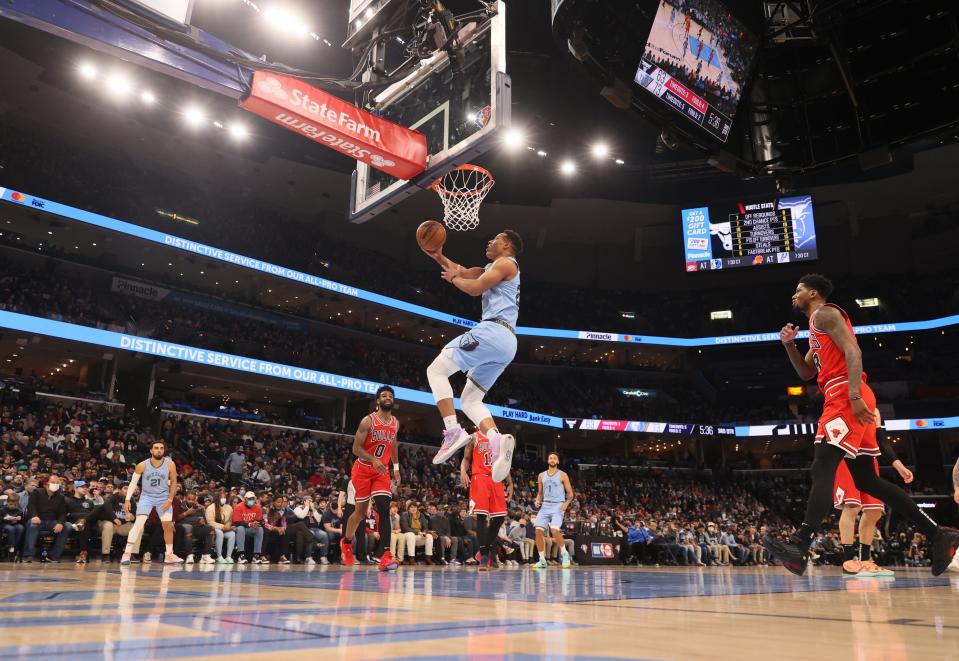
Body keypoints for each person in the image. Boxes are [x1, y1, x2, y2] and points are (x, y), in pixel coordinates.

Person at [763, 274, 959, 576]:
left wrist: (854, 395)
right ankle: (938, 534)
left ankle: (800, 544)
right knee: (868, 481)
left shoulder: (825, 314)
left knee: (822, 466)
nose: (793, 295)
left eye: (798, 290)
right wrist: (789, 345)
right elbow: (805, 373)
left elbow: (854, 351)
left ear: (813, 293)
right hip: (844, 395)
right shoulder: (816, 328)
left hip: (844, 395)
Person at [425, 231, 523, 483]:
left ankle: (452, 430)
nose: (489, 241)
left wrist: (453, 280)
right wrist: (438, 256)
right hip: (506, 343)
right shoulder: (494, 266)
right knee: (470, 400)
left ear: (507, 245)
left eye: (495, 238)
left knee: (435, 371)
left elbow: (474, 288)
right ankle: (497, 441)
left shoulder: (505, 263)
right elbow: (463, 270)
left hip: (492, 331)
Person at [835, 410, 912, 578]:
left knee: (874, 511)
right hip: (846, 458)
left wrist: (897, 464)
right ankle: (848, 562)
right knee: (852, 506)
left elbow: (881, 440)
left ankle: (864, 561)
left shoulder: (875, 410)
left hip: (868, 461)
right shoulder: (843, 402)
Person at [340, 386, 400, 572]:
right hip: (363, 470)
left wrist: (396, 468)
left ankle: (386, 555)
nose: (387, 397)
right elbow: (356, 448)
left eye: (390, 395)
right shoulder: (368, 421)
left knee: (383, 507)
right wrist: (373, 459)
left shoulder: (395, 422)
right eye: (384, 395)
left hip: (382, 471)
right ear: (378, 401)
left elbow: (393, 444)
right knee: (359, 513)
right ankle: (347, 542)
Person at [121, 441, 183, 565]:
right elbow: (133, 483)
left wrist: (170, 499)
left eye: (161, 448)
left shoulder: (170, 464)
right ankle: (127, 553)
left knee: (168, 526)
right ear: (151, 451)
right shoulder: (142, 465)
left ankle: (169, 555)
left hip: (163, 497)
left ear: (164, 450)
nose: (159, 450)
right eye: (156, 448)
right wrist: (127, 499)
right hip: (147, 497)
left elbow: (174, 482)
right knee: (139, 524)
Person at [460, 430, 514, 570]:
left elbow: (504, 463)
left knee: (500, 518)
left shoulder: (499, 437)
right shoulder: (474, 437)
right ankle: (484, 555)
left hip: (497, 478)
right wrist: (463, 471)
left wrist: (510, 483)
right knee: (482, 517)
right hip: (480, 477)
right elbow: (466, 458)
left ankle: (484, 551)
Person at [531, 452, 574, 569]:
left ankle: (565, 554)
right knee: (538, 531)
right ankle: (542, 560)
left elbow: (570, 494)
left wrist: (566, 504)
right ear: (548, 461)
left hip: (558, 505)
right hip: (545, 506)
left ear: (558, 461)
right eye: (550, 458)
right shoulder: (541, 475)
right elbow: (540, 493)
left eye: (555, 458)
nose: (552, 459)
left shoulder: (563, 475)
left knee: (554, 529)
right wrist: (537, 500)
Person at [23, 475, 73, 563]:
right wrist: (34, 515)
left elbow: (62, 513)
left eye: (57, 483)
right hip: (38, 520)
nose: (56, 484)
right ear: (47, 484)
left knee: (68, 526)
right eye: (53, 482)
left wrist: (60, 523)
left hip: (52, 522)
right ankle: (28, 555)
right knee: (32, 524)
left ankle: (54, 555)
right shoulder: (37, 492)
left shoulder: (60, 497)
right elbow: (31, 505)